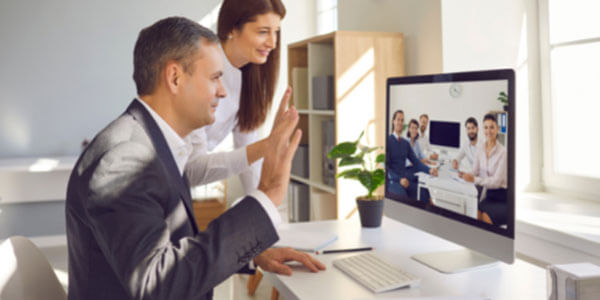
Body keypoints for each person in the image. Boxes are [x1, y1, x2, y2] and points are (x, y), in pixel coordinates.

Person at [65, 17, 324, 300]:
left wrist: (250, 255)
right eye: (215, 77)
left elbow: (169, 251)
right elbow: (158, 284)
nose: (223, 91)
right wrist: (269, 191)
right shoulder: (125, 160)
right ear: (175, 77)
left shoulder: (150, 143)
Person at [186, 0, 287, 193]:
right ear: (232, 28)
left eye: (276, 32)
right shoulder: (200, 68)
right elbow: (192, 167)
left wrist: (261, 206)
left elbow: (249, 152)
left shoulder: (249, 76)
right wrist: (268, 145)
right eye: (263, 32)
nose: (273, 43)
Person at [459, 114, 508, 226]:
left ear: (497, 129)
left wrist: (474, 179)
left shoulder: (503, 152)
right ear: (482, 129)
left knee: (485, 218)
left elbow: (496, 182)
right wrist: (466, 175)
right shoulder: (480, 149)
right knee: (474, 213)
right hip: (489, 195)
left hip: (502, 197)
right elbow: (475, 170)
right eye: (486, 127)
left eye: (492, 127)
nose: (488, 131)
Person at [387, 110, 437, 199]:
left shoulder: (405, 143)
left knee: (424, 193)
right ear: (393, 121)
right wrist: (399, 179)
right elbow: (386, 168)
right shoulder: (387, 141)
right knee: (403, 196)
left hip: (405, 178)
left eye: (402, 120)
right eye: (398, 119)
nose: (400, 122)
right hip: (393, 181)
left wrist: (429, 170)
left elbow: (416, 162)